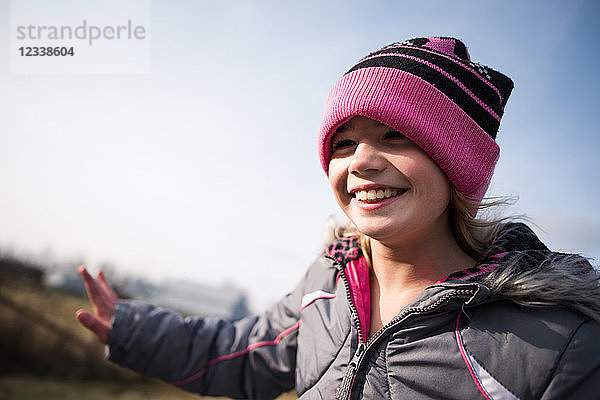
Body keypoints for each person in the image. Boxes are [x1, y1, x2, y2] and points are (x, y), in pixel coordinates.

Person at [76, 37, 600, 399]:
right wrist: (132, 329)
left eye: (397, 136)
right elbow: (242, 354)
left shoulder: (561, 338)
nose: (362, 162)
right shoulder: (328, 280)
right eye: (344, 143)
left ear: (458, 163)